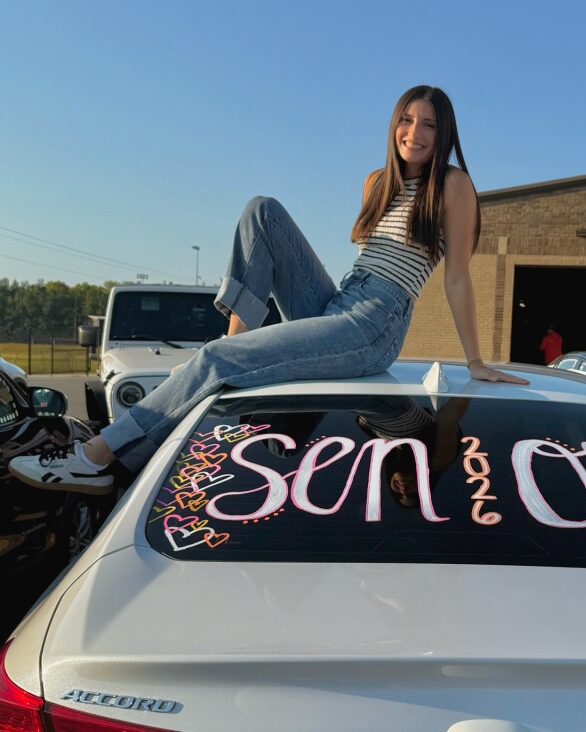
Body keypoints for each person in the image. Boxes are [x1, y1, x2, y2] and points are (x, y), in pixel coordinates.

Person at [10, 85, 528, 495]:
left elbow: (457, 275)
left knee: (215, 360)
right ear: (394, 124)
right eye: (407, 120)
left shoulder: (453, 185)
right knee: (263, 210)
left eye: (429, 124)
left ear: (444, 133)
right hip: (341, 300)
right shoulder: (377, 182)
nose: (415, 132)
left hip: (376, 323)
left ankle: (97, 457)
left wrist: (475, 360)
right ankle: (236, 343)